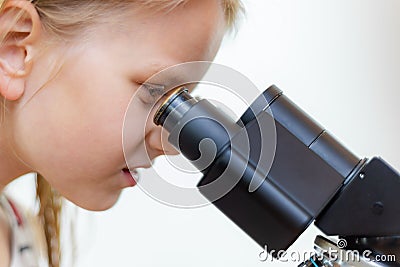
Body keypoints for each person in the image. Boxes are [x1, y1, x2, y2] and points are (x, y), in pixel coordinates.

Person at [0, 0, 243, 266]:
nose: (169, 144)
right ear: (17, 48)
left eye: (182, 102)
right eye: (153, 91)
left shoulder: (21, 239)